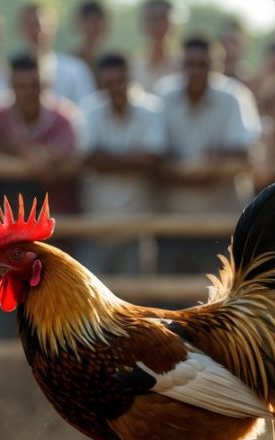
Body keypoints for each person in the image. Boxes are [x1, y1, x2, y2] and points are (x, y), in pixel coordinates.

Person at [156, 35, 260, 274]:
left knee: (219, 303)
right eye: (189, 64)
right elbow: (153, 156)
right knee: (170, 305)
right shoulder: (164, 95)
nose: (195, 71)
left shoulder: (234, 96)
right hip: (174, 223)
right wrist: (213, 166)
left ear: (216, 66)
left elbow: (247, 154)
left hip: (221, 223)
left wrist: (187, 169)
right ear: (181, 65)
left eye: (202, 64)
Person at [76, 53, 166, 274]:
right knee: (92, 305)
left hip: (136, 231)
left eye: (120, 81)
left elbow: (152, 158)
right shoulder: (89, 109)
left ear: (130, 79)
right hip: (95, 229)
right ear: (101, 84)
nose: (115, 88)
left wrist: (105, 160)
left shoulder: (151, 109)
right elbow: (87, 157)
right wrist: (135, 160)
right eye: (109, 83)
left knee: (134, 304)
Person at [0, 54, 79, 215]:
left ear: (44, 85)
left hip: (57, 225)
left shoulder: (63, 118)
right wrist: (28, 153)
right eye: (21, 86)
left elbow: (66, 150)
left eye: (34, 85)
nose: (28, 92)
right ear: (11, 85)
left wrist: (24, 153)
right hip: (7, 225)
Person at [17, 3, 95, 106]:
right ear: (22, 29)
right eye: (32, 25)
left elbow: (86, 109)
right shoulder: (10, 72)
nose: (38, 31)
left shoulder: (75, 69)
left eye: (43, 26)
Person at [133, 0, 180, 94]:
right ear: (142, 25)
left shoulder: (185, 66)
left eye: (163, 18)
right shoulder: (132, 68)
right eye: (152, 19)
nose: (158, 24)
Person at [74, 1, 108, 82]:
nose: (93, 28)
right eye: (90, 22)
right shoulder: (71, 59)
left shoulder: (108, 60)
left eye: (96, 22)